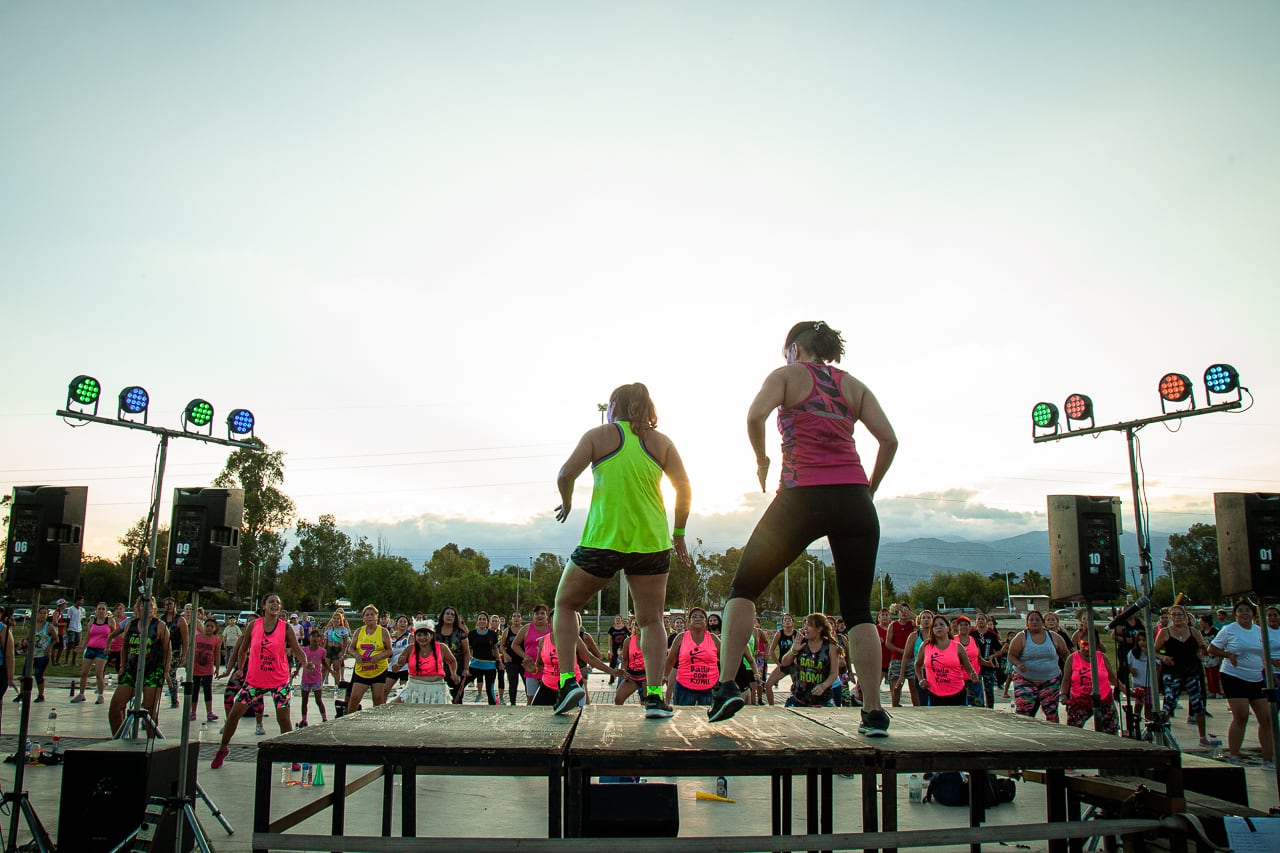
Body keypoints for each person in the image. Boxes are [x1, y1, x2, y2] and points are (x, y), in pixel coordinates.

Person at [551, 382, 692, 718]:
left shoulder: (599, 436)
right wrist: (680, 532)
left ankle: (569, 680)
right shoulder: (661, 443)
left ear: (614, 405)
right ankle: (655, 696)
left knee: (565, 604)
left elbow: (565, 473)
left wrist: (567, 500)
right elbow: (684, 487)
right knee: (651, 620)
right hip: (651, 543)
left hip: (604, 540)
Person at [211, 593, 308, 769]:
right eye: (271, 602)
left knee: (283, 719)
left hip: (279, 680)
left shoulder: (285, 628)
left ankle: (292, 756)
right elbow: (242, 649)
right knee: (234, 715)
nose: (275, 605)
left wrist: (306, 664)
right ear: (263, 606)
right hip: (255, 680)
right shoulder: (253, 626)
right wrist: (240, 668)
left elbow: (297, 649)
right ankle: (223, 748)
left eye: (278, 603)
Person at [1208, 600, 1278, 769]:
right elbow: (1212, 649)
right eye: (1241, 610)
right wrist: (1227, 654)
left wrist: (1271, 668)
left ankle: (1268, 760)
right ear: (1235, 614)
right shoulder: (1229, 630)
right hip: (1233, 676)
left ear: (1253, 614)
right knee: (1241, 716)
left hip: (1255, 677)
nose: (1244, 613)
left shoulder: (1259, 631)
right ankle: (1234, 756)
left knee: (1266, 718)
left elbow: (1263, 654)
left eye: (1248, 610)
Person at [1153, 604, 1218, 747]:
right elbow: (1154, 651)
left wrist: (1201, 652)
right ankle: (1163, 736)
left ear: (1185, 617)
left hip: (1191, 670)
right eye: (1174, 615)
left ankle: (1202, 737)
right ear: (1170, 617)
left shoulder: (1193, 631)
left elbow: (1203, 647)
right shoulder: (1165, 632)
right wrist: (1163, 658)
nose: (1177, 617)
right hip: (1172, 671)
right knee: (1169, 704)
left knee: (1198, 704)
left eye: (1180, 614)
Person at [107, 598, 171, 735]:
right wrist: (122, 666)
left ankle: (151, 742)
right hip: (132, 669)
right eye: (143, 605)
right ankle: (118, 739)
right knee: (115, 707)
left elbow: (167, 651)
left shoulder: (160, 626)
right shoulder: (131, 624)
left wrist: (165, 671)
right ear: (138, 607)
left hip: (153, 671)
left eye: (150, 605)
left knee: (149, 709)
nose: (147, 608)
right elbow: (124, 647)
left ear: (154, 608)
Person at [1006, 610, 1070, 722]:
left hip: (1050, 680)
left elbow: (1066, 655)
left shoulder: (1054, 637)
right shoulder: (1021, 637)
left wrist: (1070, 671)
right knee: (1023, 710)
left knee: (1051, 712)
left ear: (1042, 622)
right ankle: (1024, 731)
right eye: (1031, 620)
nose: (1034, 622)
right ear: (1027, 623)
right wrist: (1019, 664)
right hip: (1025, 679)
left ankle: (1053, 735)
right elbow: (1011, 655)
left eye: (1037, 620)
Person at [1061, 637, 1122, 734]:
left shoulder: (1102, 657)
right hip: (1080, 700)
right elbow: (1066, 679)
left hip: (1104, 699)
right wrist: (1063, 694)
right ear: (1079, 643)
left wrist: (1130, 693)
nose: (1087, 648)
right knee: (1073, 729)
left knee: (1111, 730)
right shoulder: (1072, 658)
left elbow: (1112, 678)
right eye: (1084, 644)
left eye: (1090, 645)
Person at [916, 614, 978, 706]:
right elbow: (917, 664)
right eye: (935, 626)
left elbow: (969, 668)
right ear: (932, 630)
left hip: (957, 692)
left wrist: (973, 676)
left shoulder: (957, 646)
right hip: (934, 693)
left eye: (941, 625)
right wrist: (921, 679)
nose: (938, 628)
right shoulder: (926, 646)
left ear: (948, 628)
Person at [663, 607, 721, 706]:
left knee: (709, 720)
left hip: (710, 688)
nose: (698, 619)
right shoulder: (680, 637)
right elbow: (670, 660)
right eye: (694, 617)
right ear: (689, 622)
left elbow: (724, 660)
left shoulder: (713, 638)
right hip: (684, 688)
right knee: (683, 720)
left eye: (701, 617)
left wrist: (725, 680)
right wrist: (664, 676)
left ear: (706, 622)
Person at [781, 613, 840, 707]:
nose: (805, 628)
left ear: (819, 629)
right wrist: (794, 650)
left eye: (809, 625)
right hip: (798, 698)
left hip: (822, 700)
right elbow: (784, 663)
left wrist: (823, 686)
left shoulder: (830, 646)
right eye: (805, 625)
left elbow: (834, 673)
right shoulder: (801, 642)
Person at [393, 622, 457, 704]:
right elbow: (395, 669)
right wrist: (398, 665)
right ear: (415, 637)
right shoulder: (409, 649)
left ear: (431, 636)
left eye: (425, 634)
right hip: (414, 687)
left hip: (436, 688)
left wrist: (453, 673)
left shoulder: (441, 648)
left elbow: (452, 661)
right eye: (419, 635)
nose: (422, 637)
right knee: (393, 704)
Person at [345, 605, 393, 712]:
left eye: (372, 614)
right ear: (363, 618)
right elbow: (350, 648)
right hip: (362, 670)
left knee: (377, 698)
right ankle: (348, 720)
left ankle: (377, 722)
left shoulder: (383, 632)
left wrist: (379, 656)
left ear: (377, 617)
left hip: (378, 669)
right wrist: (356, 655)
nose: (370, 617)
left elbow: (389, 650)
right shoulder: (359, 631)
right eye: (367, 615)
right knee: (354, 698)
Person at [72, 602, 115, 704]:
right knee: (84, 672)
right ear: (96, 610)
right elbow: (88, 635)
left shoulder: (109, 621)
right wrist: (82, 646)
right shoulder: (92, 621)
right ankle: (81, 694)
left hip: (102, 649)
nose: (101, 611)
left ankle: (100, 695)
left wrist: (108, 645)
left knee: (98, 673)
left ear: (106, 611)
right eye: (99, 609)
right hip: (91, 648)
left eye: (103, 609)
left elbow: (114, 634)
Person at [512, 604, 552, 704]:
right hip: (531, 668)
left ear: (547, 616)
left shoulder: (552, 629)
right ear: (533, 616)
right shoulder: (526, 628)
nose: (540, 616)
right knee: (531, 699)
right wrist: (525, 656)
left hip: (548, 669)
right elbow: (514, 645)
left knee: (550, 698)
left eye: (542, 613)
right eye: (537, 613)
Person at [190, 617, 222, 722]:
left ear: (215, 628)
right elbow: (191, 650)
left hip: (208, 669)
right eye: (207, 625)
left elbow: (217, 655)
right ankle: (193, 712)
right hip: (195, 669)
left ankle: (209, 712)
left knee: (207, 690)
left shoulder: (216, 640)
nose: (209, 628)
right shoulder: (197, 637)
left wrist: (217, 669)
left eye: (211, 626)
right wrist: (187, 663)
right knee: (194, 691)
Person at [466, 613, 500, 704]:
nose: (482, 621)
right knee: (463, 683)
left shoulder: (492, 634)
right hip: (475, 664)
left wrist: (499, 661)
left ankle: (492, 708)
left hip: (490, 666)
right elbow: (469, 649)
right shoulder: (472, 634)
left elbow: (495, 648)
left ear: (487, 621)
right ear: (477, 621)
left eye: (484, 619)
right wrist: (468, 660)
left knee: (490, 689)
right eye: (480, 619)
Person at [884, 605, 915, 707]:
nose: (904, 613)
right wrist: (901, 651)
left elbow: (920, 620)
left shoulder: (912, 624)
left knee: (914, 686)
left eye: (906, 611)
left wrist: (909, 614)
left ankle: (918, 707)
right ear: (898, 613)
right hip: (897, 659)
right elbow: (888, 643)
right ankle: (895, 706)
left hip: (911, 659)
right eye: (901, 611)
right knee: (896, 687)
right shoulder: (893, 625)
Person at [298, 627, 328, 725]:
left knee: (318, 700)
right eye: (313, 636)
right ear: (309, 638)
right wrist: (296, 671)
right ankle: (304, 720)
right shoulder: (304, 650)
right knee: (304, 700)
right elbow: (300, 662)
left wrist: (331, 671)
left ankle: (324, 719)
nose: (315, 638)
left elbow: (324, 662)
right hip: (306, 679)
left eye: (317, 637)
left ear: (320, 639)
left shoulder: (322, 651)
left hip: (316, 679)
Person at [972, 613, 1002, 709]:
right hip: (975, 666)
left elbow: (999, 650)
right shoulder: (972, 635)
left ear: (986, 621)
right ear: (976, 621)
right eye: (978, 619)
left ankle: (990, 708)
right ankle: (978, 707)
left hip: (989, 666)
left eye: (982, 619)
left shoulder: (991, 635)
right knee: (976, 688)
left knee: (989, 689)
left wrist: (993, 656)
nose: (980, 621)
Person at [500, 611, 524, 706]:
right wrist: (505, 654)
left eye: (518, 616)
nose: (516, 618)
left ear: (521, 618)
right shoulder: (507, 631)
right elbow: (501, 646)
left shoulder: (525, 629)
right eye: (514, 616)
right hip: (511, 661)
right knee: (513, 683)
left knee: (527, 683)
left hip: (523, 661)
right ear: (511, 619)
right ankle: (512, 702)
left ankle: (530, 703)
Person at [606, 615, 630, 686]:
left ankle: (625, 678)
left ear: (621, 620)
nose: (617, 620)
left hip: (623, 649)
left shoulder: (624, 629)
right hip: (614, 649)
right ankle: (612, 679)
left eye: (619, 619)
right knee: (613, 665)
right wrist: (610, 650)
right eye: (616, 619)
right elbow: (609, 641)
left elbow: (629, 637)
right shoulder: (612, 629)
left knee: (624, 665)